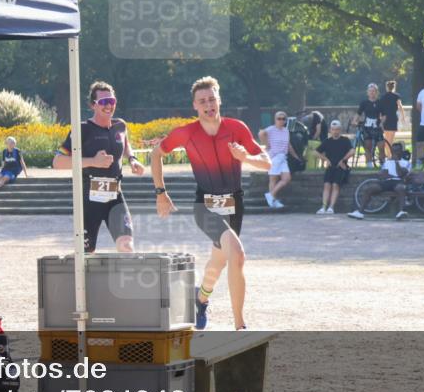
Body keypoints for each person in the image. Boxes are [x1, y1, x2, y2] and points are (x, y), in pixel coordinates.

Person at [151, 76, 271, 331]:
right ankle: (240, 326)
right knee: (237, 255)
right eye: (202, 101)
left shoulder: (237, 128)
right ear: (195, 105)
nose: (208, 105)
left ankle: (200, 298)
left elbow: (266, 162)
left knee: (220, 261)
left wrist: (246, 157)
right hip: (204, 206)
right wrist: (161, 192)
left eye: (212, 99)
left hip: (234, 205)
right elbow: (156, 153)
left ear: (219, 100)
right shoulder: (186, 132)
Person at [53, 81, 144, 252]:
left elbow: (124, 143)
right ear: (92, 105)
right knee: (85, 254)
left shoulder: (120, 125)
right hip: (89, 199)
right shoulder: (82, 129)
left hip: (115, 197)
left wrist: (132, 159)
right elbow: (57, 162)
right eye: (103, 102)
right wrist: (92, 162)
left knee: (127, 246)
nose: (108, 105)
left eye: (112, 101)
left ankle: (121, 279)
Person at [348, 142, 411, 221]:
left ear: (401, 151)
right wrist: (391, 175)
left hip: (398, 182)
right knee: (370, 188)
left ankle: (401, 211)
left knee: (401, 188)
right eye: (393, 151)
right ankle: (360, 212)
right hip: (387, 182)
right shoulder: (387, 162)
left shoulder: (406, 163)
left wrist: (396, 162)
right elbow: (383, 175)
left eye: (397, 151)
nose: (395, 153)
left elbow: (400, 174)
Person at [259, 111, 302, 209]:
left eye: (283, 119)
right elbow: (261, 133)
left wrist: (296, 156)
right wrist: (266, 144)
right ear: (275, 119)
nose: (281, 120)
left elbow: (288, 145)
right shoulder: (271, 129)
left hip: (283, 157)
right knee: (273, 179)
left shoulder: (286, 131)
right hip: (274, 157)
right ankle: (273, 200)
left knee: (286, 178)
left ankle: (271, 195)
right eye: (279, 118)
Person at [315, 120, 354, 214]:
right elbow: (315, 152)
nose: (335, 131)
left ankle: (331, 207)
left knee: (335, 185)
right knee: (327, 185)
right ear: (330, 130)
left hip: (340, 167)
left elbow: (352, 151)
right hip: (330, 166)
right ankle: (323, 207)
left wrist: (343, 160)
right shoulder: (327, 141)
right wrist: (326, 160)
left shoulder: (345, 140)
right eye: (333, 129)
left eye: (337, 129)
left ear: (340, 130)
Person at [355, 83, 386, 168]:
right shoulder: (364, 103)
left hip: (377, 127)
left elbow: (384, 115)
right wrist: (354, 121)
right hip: (367, 128)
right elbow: (358, 113)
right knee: (367, 147)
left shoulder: (380, 102)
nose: (372, 93)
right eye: (370, 91)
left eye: (374, 91)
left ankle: (383, 165)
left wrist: (382, 122)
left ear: (377, 92)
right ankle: (369, 166)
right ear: (367, 92)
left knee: (382, 147)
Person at [379, 80, 407, 146]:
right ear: (394, 87)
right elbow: (400, 106)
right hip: (393, 118)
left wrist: (380, 119)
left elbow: (380, 108)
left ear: (386, 87)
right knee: (391, 139)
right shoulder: (396, 96)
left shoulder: (383, 97)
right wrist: (403, 117)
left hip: (385, 118)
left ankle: (387, 154)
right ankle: (389, 154)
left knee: (386, 138)